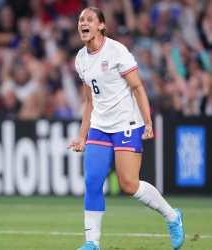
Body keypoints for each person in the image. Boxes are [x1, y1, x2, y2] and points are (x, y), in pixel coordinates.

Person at [67, 7, 185, 250]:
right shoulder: (80, 59)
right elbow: (90, 101)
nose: (83, 23)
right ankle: (92, 243)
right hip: (100, 125)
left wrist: (148, 121)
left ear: (101, 25)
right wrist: (81, 135)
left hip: (126, 124)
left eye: (89, 19)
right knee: (92, 182)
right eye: (81, 20)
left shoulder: (117, 51)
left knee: (128, 184)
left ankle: (172, 216)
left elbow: (138, 88)